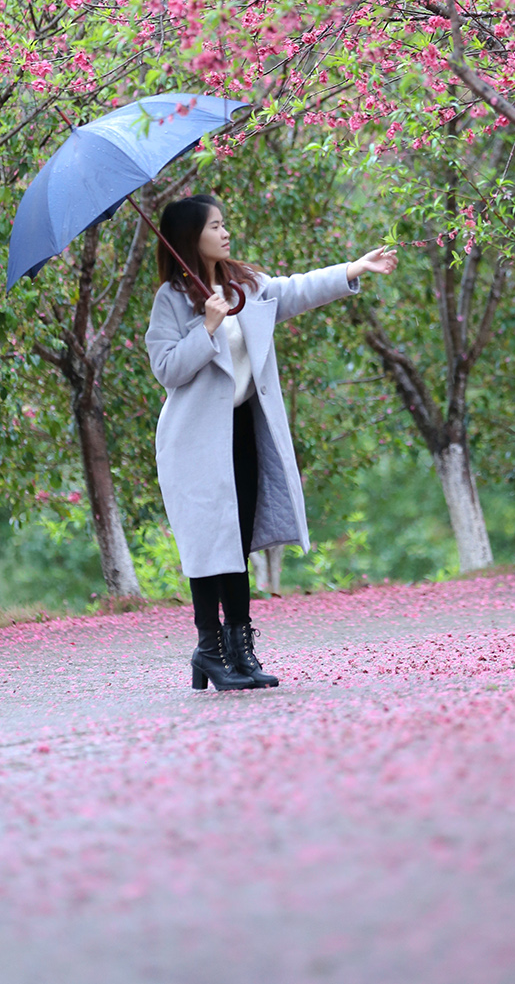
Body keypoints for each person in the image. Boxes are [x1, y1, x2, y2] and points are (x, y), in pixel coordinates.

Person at [145, 194, 397, 691]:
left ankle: (240, 651)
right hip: (193, 443)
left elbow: (296, 289)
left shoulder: (244, 286)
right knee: (207, 544)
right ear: (191, 236)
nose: (224, 232)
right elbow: (166, 369)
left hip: (241, 430)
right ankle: (208, 648)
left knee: (234, 543)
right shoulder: (171, 300)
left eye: (224, 223)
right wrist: (208, 329)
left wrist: (353, 268)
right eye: (215, 226)